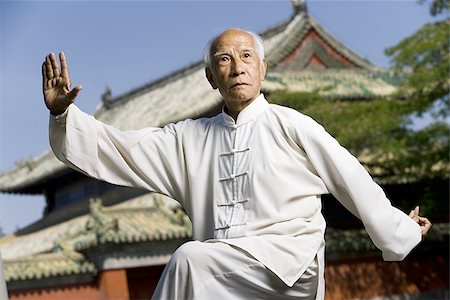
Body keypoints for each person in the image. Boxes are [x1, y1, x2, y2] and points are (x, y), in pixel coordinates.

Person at [43, 28, 432, 299]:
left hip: (289, 266)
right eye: (225, 60)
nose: (238, 67)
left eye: (247, 57)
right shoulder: (187, 138)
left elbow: (352, 180)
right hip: (222, 273)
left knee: (189, 259)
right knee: (199, 263)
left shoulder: (292, 125)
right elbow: (120, 147)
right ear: (212, 77)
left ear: (262, 69)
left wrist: (401, 228)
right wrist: (65, 116)